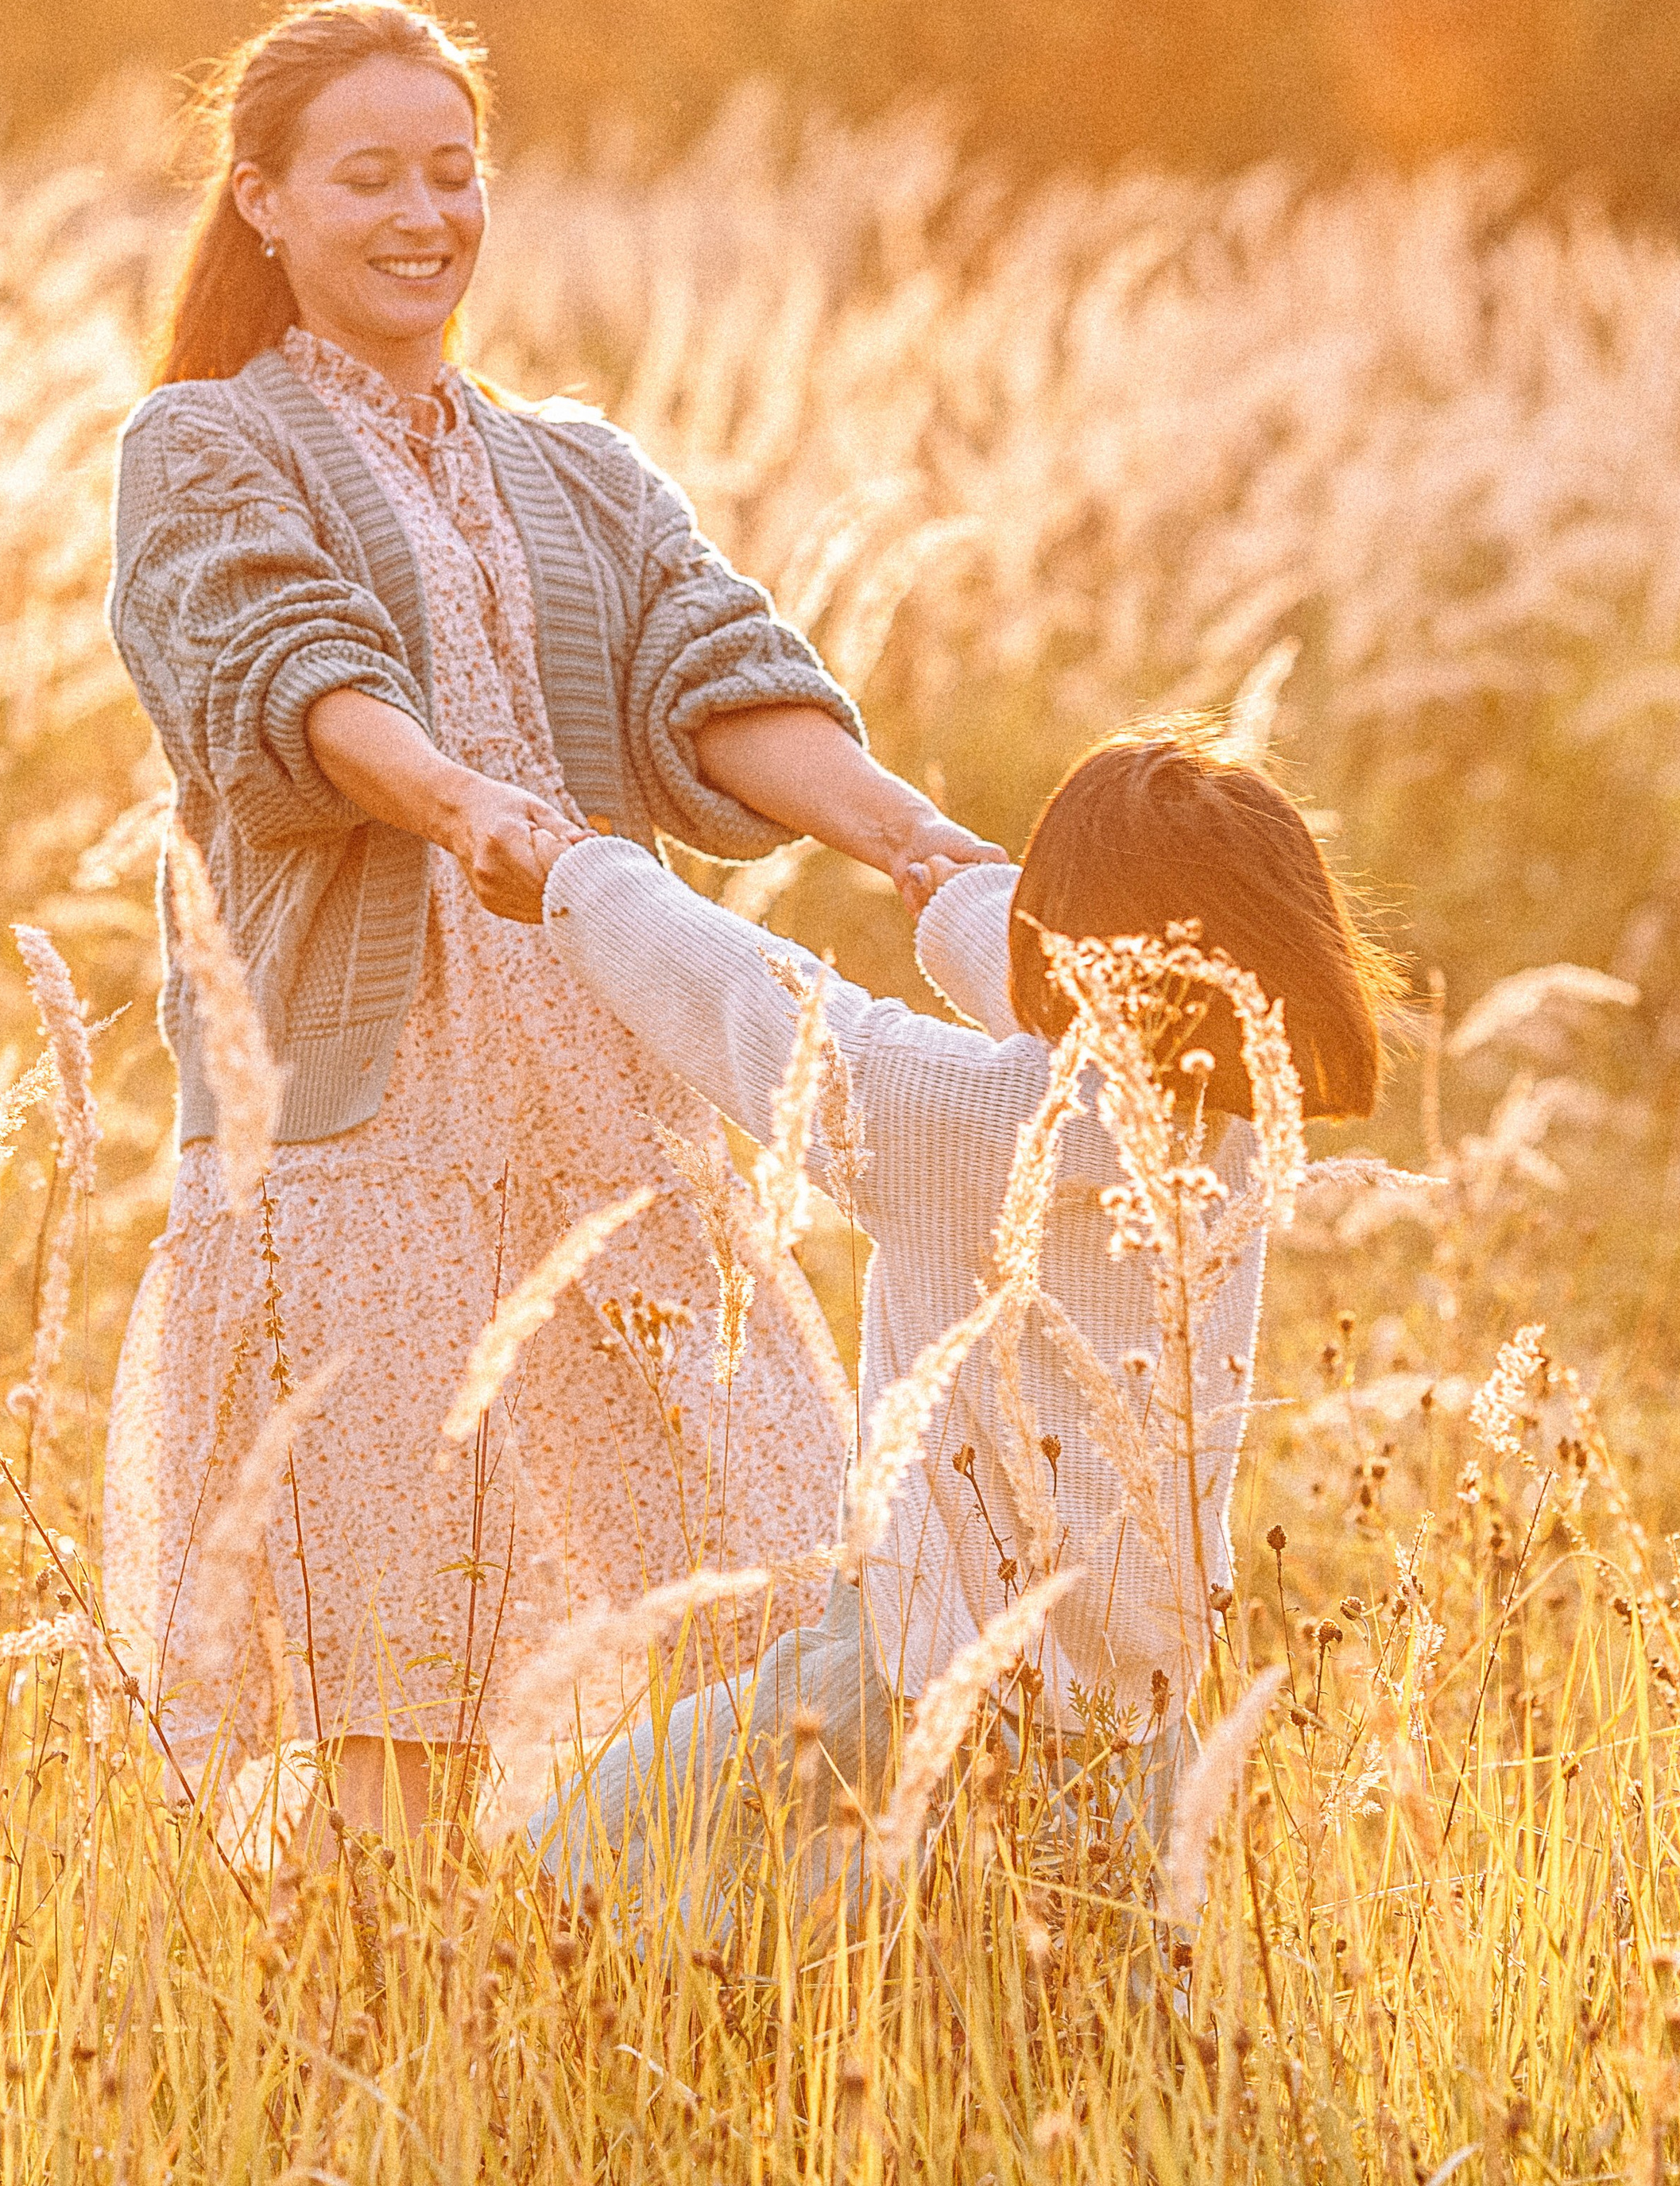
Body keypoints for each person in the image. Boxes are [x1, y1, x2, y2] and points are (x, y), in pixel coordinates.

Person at [101, 0, 1004, 1849]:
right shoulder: (203, 447)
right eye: (368, 177)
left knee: (770, 1554)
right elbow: (281, 668)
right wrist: (466, 810)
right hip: (366, 1125)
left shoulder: (575, 461)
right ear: (260, 198)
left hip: (612, 1082)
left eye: (453, 170)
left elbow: (710, 669)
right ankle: (388, 2028)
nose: (422, 213)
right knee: (394, 1634)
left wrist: (913, 837)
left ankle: (698, 1970)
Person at [525, 728, 1395, 1918]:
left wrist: (583, 880)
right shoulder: (1234, 1129)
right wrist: (965, 896)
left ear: (1067, 946)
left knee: (576, 1876)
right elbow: (1103, 1033)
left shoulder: (974, 1130)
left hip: (906, 1690)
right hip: (1131, 1725)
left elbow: (759, 1005)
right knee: (1079, 2024)